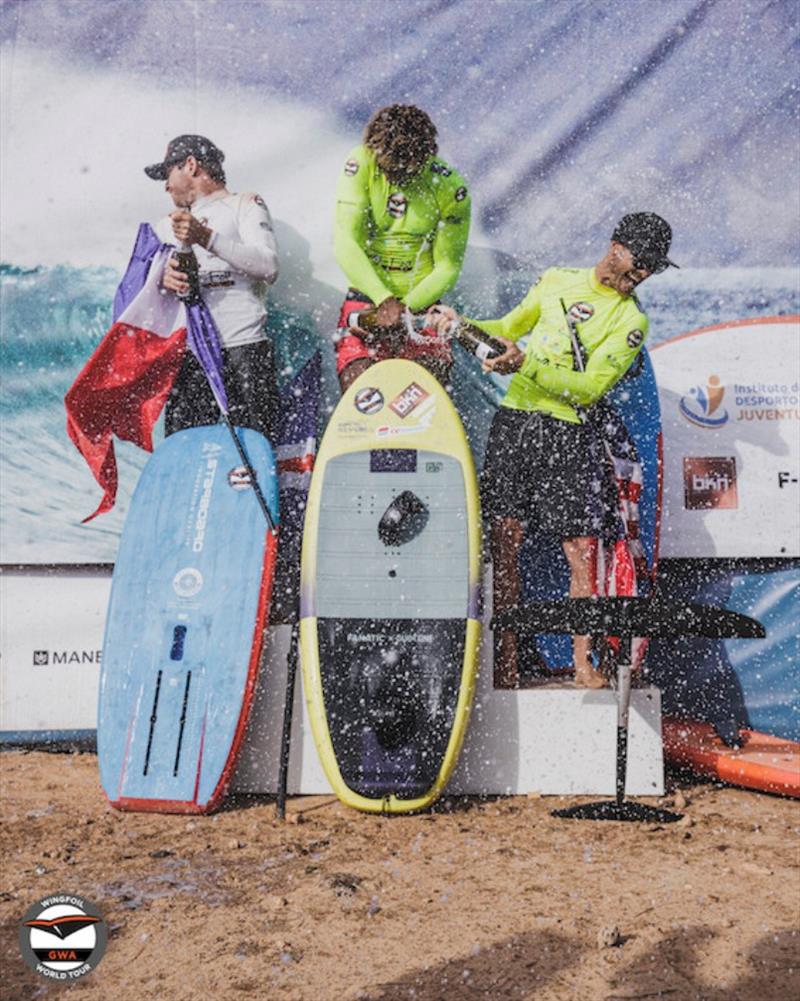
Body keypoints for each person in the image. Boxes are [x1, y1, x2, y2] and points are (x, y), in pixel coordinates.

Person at [426, 213, 678, 688]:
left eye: (652, 270)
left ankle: (584, 665)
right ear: (616, 246)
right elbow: (506, 327)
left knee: (580, 551)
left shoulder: (631, 320)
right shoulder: (557, 280)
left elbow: (587, 389)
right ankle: (506, 659)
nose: (641, 274)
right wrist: (459, 324)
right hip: (516, 425)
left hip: (570, 434)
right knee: (504, 543)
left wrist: (527, 363)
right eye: (640, 262)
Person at [144, 134, 279, 438]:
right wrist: (163, 282)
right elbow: (145, 300)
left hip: (244, 350)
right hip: (189, 359)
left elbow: (268, 266)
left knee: (255, 458)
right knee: (184, 457)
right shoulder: (164, 225)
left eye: (168, 174)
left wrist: (205, 237)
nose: (165, 186)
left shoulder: (244, 203)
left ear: (190, 165)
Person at [333, 104, 471, 390]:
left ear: (425, 157)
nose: (396, 176)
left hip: (421, 306)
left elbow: (448, 265)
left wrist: (406, 309)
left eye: (405, 169)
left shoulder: (451, 187)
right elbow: (345, 242)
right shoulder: (361, 162)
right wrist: (383, 300)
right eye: (388, 168)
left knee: (423, 403)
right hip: (368, 298)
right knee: (361, 398)